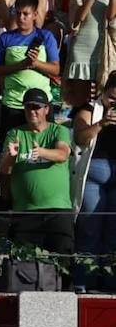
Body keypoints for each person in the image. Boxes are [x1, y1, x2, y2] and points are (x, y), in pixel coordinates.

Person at [0, 88, 74, 276]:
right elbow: (3, 170)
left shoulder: (59, 130)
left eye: (36, 107)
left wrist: (42, 152)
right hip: (25, 211)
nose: (32, 111)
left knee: (63, 262)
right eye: (28, 107)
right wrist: (11, 157)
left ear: (46, 109)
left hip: (57, 209)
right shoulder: (15, 133)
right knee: (24, 267)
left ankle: (64, 298)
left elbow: (63, 154)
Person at [0, 0, 60, 136]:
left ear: (35, 14)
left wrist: (35, 63)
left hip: (40, 103)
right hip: (14, 103)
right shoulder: (5, 38)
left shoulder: (45, 36)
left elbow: (55, 69)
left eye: (26, 14)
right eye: (18, 13)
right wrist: (20, 66)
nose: (21, 18)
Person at [74, 74, 116, 271]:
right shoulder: (89, 108)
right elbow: (80, 137)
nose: (114, 103)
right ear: (104, 92)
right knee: (89, 227)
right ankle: (84, 280)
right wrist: (101, 123)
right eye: (112, 98)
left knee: (113, 232)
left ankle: (109, 282)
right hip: (93, 174)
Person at [66, 0, 116, 106]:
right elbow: (78, 18)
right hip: (81, 46)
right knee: (81, 100)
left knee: (103, 97)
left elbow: (111, 16)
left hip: (104, 48)